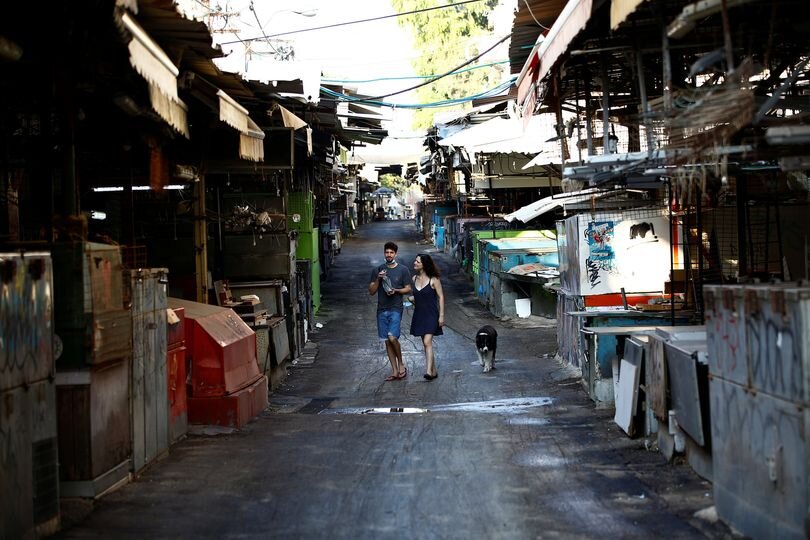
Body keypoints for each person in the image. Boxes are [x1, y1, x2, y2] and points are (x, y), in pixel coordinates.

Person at [368, 241, 412, 381]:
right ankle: (394, 371)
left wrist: (396, 291)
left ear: (395, 254)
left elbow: (408, 288)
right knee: (387, 341)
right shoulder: (378, 270)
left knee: (392, 337)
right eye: (387, 252)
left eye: (391, 252)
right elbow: (371, 291)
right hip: (381, 309)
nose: (389, 254)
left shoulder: (403, 270)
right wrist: (378, 279)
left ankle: (401, 365)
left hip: (396, 308)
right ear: (384, 253)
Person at [410, 253, 445, 380]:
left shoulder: (433, 279)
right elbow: (418, 296)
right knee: (426, 344)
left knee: (427, 341)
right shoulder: (414, 278)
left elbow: (441, 296)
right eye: (415, 261)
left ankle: (428, 371)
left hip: (431, 315)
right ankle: (433, 371)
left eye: (418, 261)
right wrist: (412, 299)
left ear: (424, 265)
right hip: (419, 315)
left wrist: (441, 316)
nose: (415, 263)